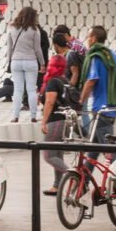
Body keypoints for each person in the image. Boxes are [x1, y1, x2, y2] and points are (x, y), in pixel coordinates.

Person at [80, 25, 116, 163]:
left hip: (100, 110)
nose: (88, 40)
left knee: (111, 153)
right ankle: (84, 183)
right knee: (93, 152)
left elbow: (91, 80)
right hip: (111, 109)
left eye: (89, 37)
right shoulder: (113, 56)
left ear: (94, 39)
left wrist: (81, 100)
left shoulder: (96, 56)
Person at [7, 6, 46, 123]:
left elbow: (9, 48)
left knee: (18, 90)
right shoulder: (35, 30)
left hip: (16, 61)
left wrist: (10, 61)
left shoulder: (11, 28)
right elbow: (38, 49)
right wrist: (42, 63)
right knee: (31, 89)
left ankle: (15, 116)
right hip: (30, 61)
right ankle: (33, 116)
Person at [39, 53, 70, 194]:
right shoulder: (65, 81)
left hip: (55, 121)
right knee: (58, 155)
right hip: (65, 122)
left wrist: (43, 122)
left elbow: (50, 102)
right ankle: (57, 186)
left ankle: (73, 176)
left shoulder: (53, 82)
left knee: (48, 155)